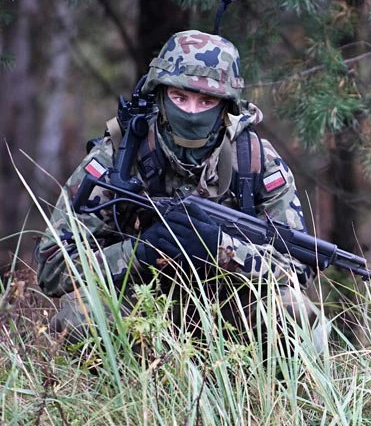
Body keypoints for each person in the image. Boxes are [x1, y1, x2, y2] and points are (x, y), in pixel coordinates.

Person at [35, 29, 327, 352]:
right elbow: (51, 268)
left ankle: (264, 401)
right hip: (143, 305)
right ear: (160, 95)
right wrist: (138, 253)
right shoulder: (118, 156)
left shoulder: (256, 160)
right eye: (179, 97)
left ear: (226, 107)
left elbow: (298, 268)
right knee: (79, 319)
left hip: (228, 310)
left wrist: (222, 249)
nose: (191, 112)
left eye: (207, 101)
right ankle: (123, 397)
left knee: (296, 313)